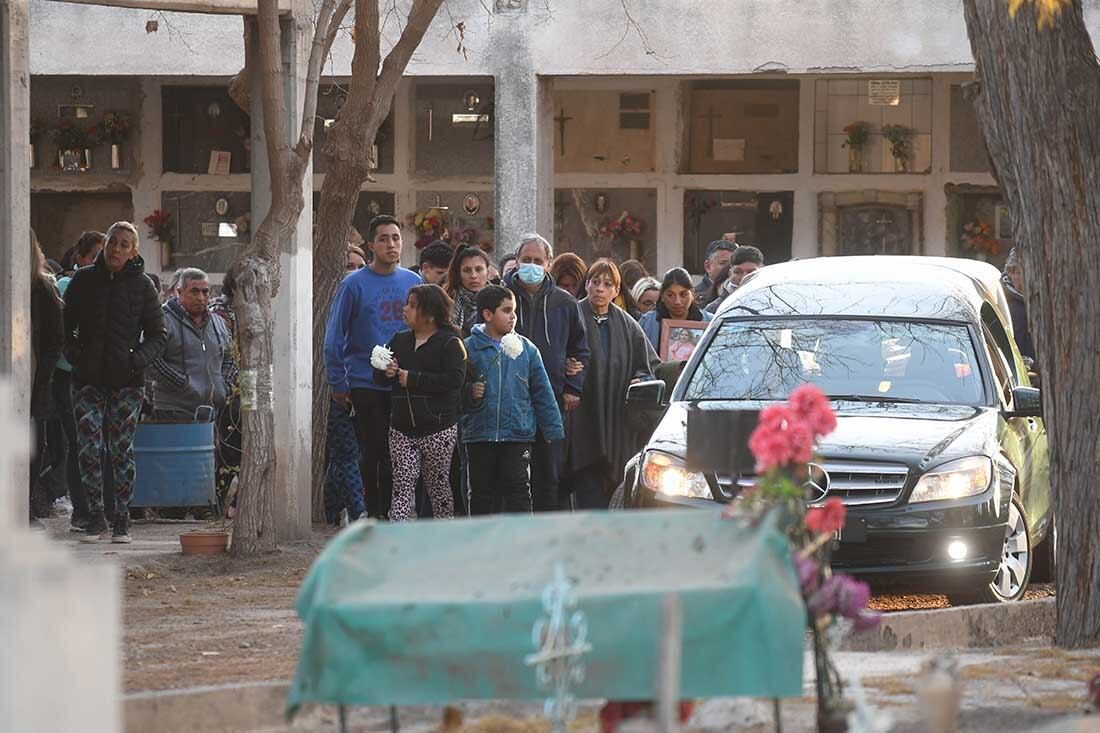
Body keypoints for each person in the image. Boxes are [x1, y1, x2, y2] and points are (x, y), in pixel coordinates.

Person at [63, 221, 166, 543]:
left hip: (127, 382)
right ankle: (95, 516)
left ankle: (121, 517)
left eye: (124, 244)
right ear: (105, 245)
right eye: (112, 243)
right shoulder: (83, 281)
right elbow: (66, 327)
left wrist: (135, 359)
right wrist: (76, 355)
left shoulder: (143, 286)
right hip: (88, 381)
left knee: (121, 450)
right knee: (89, 448)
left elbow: (158, 336)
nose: (116, 249)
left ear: (133, 251)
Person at [324, 214, 422, 519]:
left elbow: (427, 331)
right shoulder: (353, 284)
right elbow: (334, 337)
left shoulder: (413, 282)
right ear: (371, 246)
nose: (391, 244)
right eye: (384, 239)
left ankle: (400, 515)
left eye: (396, 238)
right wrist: (339, 383)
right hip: (365, 382)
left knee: (403, 454)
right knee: (375, 453)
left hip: (404, 382)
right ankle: (374, 516)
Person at [564, 260, 659, 509]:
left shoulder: (628, 325)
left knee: (616, 489)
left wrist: (642, 377)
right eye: (595, 282)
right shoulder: (571, 316)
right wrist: (565, 366)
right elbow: (551, 355)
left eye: (607, 284)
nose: (600, 289)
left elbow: (649, 363)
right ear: (586, 285)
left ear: (616, 291)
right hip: (582, 415)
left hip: (617, 417)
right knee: (586, 483)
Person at [505, 233, 590, 512]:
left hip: (550, 399)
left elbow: (579, 348)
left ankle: (546, 527)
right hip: (507, 399)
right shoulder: (499, 298)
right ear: (516, 261)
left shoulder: (564, 303)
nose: (531, 266)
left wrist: (573, 386)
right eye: (526, 260)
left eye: (537, 261)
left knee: (548, 471)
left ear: (549, 263)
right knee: (510, 473)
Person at [462, 286, 563, 514]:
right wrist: (469, 393)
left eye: (514, 311)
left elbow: (542, 392)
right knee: (481, 491)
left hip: (517, 433)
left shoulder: (527, 350)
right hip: (480, 434)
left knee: (518, 488)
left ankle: (521, 541)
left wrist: (552, 429)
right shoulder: (469, 348)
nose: (513, 316)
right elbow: (454, 389)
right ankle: (481, 542)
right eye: (506, 310)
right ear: (488, 315)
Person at [377, 285, 467, 521]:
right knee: (402, 484)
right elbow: (379, 372)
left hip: (438, 428)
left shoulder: (450, 343)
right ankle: (399, 535)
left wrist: (414, 379)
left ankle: (442, 533)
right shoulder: (399, 340)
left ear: (429, 313)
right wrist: (386, 372)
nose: (405, 309)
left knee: (437, 485)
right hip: (401, 428)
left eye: (412, 305)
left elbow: (455, 380)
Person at [150, 268, 232, 422]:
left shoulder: (218, 323)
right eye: (194, 292)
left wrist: (223, 384)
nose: (201, 298)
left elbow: (229, 358)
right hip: (173, 411)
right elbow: (151, 360)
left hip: (211, 413)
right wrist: (182, 383)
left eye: (205, 292)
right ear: (179, 292)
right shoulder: (162, 321)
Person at [29, 231, 64, 525]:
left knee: (33, 443)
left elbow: (54, 342)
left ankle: (27, 502)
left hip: (33, 376)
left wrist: (43, 380)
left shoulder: (43, 288)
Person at [209, 270, 243, 516]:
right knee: (230, 445)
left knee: (260, 441)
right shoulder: (220, 312)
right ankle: (218, 503)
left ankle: (241, 501)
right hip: (233, 385)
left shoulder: (266, 305)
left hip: (261, 378)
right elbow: (225, 355)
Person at [639, 267, 715, 355]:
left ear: (692, 294)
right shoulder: (648, 323)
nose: (677, 302)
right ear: (662, 296)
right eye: (670, 295)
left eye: (683, 295)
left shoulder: (710, 322)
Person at [445, 246, 492, 337]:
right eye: (467, 270)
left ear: (488, 272)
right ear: (459, 273)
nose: (473, 276)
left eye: (479, 269)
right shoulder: (447, 301)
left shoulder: (500, 299)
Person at [706, 245, 765, 314]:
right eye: (738, 272)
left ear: (762, 271)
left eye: (751, 272)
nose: (744, 277)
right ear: (730, 274)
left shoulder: (774, 301)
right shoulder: (715, 309)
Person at [1002, 247, 1035, 364]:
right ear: (1010, 273)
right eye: (1020, 273)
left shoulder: (1034, 302)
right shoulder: (1006, 303)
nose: (1025, 278)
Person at [694, 239, 735, 308]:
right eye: (724, 263)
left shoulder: (743, 292)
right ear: (708, 266)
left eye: (733, 264)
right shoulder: (695, 298)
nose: (729, 269)